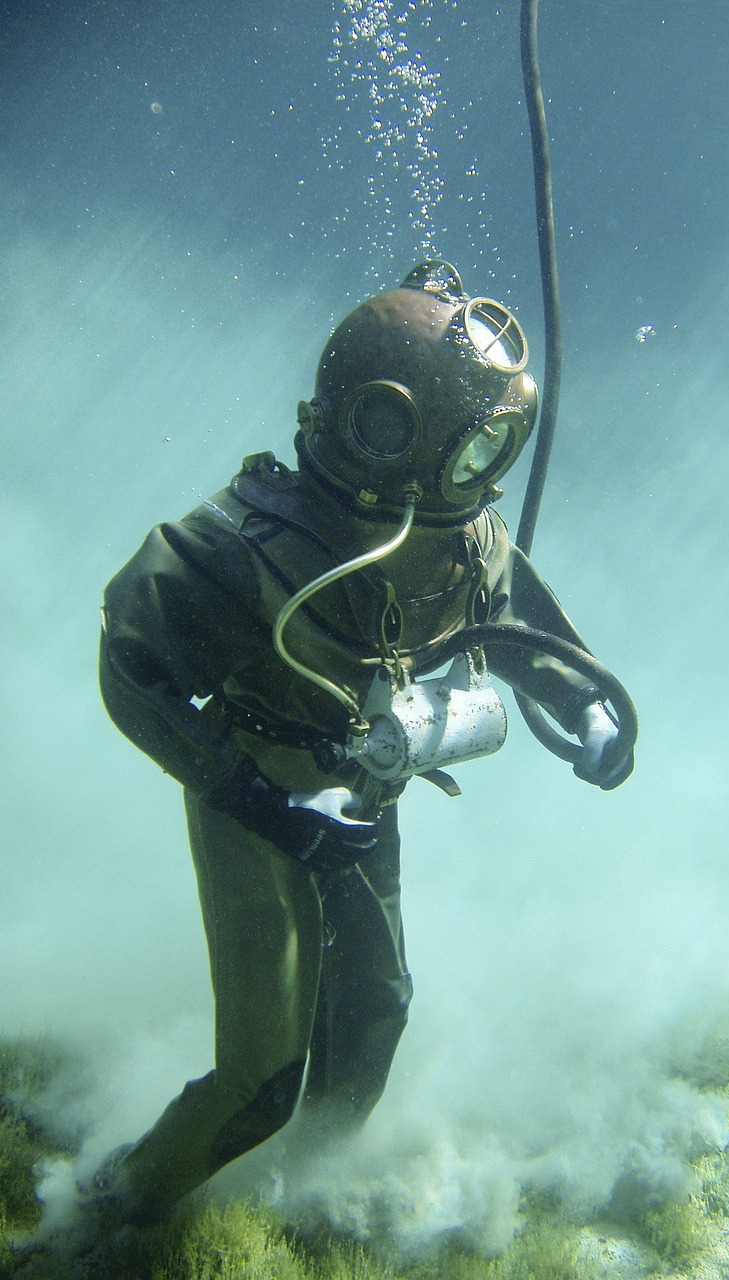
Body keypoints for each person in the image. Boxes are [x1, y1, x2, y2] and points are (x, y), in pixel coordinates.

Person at [88, 260, 631, 1237]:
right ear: (384, 430)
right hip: (256, 792)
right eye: (476, 449)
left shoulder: (466, 536)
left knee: (374, 1012)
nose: (490, 474)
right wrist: (253, 797)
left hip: (358, 795)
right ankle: (108, 1209)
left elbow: (516, 631)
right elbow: (131, 665)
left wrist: (588, 710)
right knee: (261, 1078)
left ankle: (303, 1187)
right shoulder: (246, 546)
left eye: (503, 445)